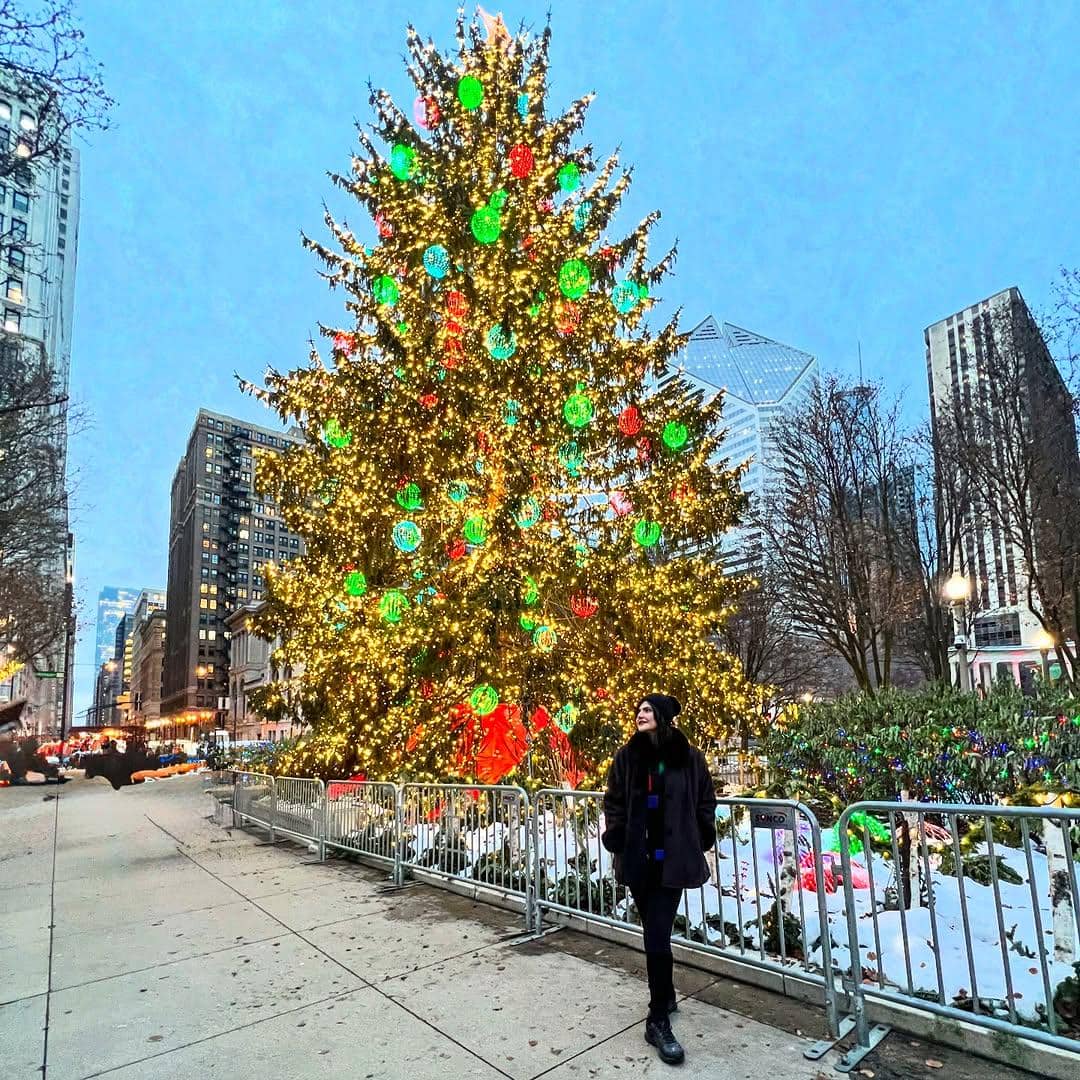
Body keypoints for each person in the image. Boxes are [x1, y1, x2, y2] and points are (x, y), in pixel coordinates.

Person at [601, 693, 717, 1066]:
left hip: (672, 862)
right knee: (655, 933)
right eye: (637, 710)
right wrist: (616, 832)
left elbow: (706, 799)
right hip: (639, 861)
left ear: (664, 716)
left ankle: (657, 1018)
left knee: (656, 934)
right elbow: (613, 800)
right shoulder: (626, 757)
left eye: (648, 710)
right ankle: (665, 994)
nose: (640, 714)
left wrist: (701, 832)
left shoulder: (689, 757)